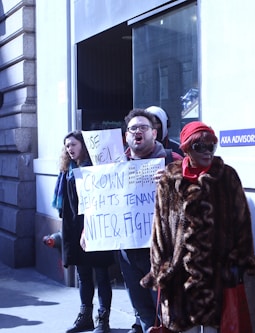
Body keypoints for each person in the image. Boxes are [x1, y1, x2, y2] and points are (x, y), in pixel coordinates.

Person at [140, 121, 255, 333]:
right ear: (187, 148)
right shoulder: (169, 179)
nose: (207, 152)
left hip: (216, 273)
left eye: (211, 147)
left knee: (213, 328)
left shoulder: (227, 176)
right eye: (201, 147)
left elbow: (242, 223)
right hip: (179, 274)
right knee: (184, 328)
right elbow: (159, 229)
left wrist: (237, 262)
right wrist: (161, 268)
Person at [118, 109, 183, 333]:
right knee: (143, 310)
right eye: (133, 129)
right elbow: (100, 204)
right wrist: (89, 229)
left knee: (167, 311)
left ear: (154, 133)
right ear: (126, 136)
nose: (138, 132)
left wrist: (173, 178)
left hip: (161, 252)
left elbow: (197, 192)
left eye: (143, 128)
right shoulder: (115, 164)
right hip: (128, 251)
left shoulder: (172, 159)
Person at [52, 130, 115, 333]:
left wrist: (89, 228)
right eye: (67, 146)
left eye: (73, 144)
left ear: (83, 145)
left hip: (94, 226)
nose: (70, 149)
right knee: (83, 275)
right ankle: (85, 317)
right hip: (73, 227)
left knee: (101, 275)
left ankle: (103, 320)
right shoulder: (67, 170)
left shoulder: (95, 167)